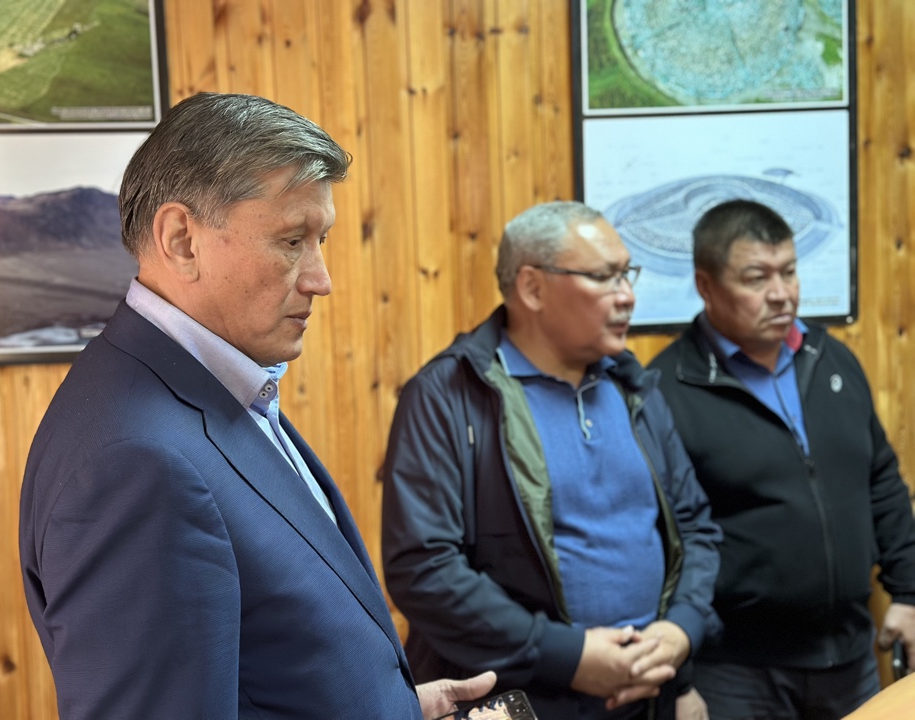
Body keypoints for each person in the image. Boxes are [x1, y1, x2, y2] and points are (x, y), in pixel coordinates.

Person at [18, 92, 496, 720]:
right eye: (292, 241)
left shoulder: (205, 386)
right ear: (181, 240)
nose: (321, 279)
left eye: (320, 240)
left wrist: (397, 709)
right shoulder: (135, 461)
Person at [380, 201, 723, 720]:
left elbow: (695, 526)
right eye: (604, 277)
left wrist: (682, 632)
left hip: (648, 693)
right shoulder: (449, 394)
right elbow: (424, 569)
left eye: (627, 274)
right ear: (532, 288)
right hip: (522, 699)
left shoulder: (633, 387)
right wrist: (569, 656)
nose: (627, 295)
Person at [648, 198, 915, 720]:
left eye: (789, 272)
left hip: (852, 659)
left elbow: (880, 480)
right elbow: (662, 543)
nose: (781, 293)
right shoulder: (668, 390)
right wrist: (679, 682)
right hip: (737, 671)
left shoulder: (831, 358)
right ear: (706, 285)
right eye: (756, 278)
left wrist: (909, 592)